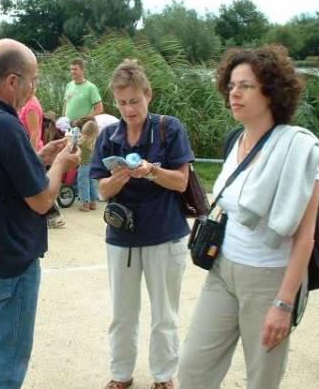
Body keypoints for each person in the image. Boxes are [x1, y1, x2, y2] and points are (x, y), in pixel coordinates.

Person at [178, 46, 319, 389]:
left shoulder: (300, 151)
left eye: (245, 85)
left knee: (262, 380)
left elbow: (305, 238)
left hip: (268, 280)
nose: (234, 92)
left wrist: (283, 303)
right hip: (223, 270)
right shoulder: (236, 141)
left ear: (271, 90)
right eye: (232, 85)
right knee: (192, 371)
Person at [0, 38, 80, 389]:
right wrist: (62, 165)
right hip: (10, 260)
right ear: (12, 81)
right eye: (33, 79)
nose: (34, 87)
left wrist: (40, 158)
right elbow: (41, 200)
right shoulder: (6, 126)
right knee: (7, 360)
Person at [90, 59, 194, 389]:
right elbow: (102, 189)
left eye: (134, 100)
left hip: (165, 233)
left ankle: (164, 377)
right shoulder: (108, 135)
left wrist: (150, 169)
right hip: (121, 235)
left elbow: (180, 182)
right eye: (122, 102)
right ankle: (121, 375)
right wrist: (117, 179)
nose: (129, 109)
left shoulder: (170, 128)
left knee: (165, 314)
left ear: (148, 94)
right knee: (122, 314)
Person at [77, 119, 99, 211]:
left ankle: (85, 204)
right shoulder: (95, 142)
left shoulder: (82, 141)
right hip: (93, 167)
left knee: (83, 185)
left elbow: (74, 148)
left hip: (84, 166)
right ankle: (93, 203)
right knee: (92, 185)